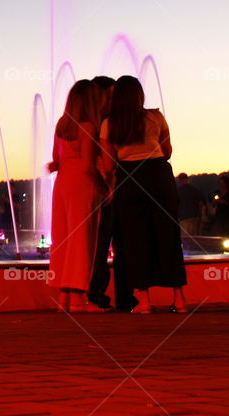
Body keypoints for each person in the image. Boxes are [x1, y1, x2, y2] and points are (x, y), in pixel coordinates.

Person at [100, 76, 187, 314]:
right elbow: (167, 151)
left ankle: (144, 301)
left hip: (129, 177)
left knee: (135, 239)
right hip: (158, 174)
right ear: (140, 95)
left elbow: (108, 165)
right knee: (168, 234)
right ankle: (179, 299)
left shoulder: (109, 124)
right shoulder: (156, 117)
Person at [47, 80, 105, 312]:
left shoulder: (62, 125)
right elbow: (90, 165)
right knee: (83, 240)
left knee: (63, 238)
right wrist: (105, 186)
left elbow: (55, 161)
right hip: (82, 183)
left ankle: (63, 296)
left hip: (62, 184)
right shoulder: (89, 127)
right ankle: (80, 298)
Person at [85, 75, 134, 311]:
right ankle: (97, 295)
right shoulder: (95, 124)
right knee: (101, 244)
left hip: (115, 188)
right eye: (110, 95)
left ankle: (121, 297)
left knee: (118, 243)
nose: (114, 99)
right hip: (103, 190)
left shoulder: (110, 122)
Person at [176, 173, 205, 238]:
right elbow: (201, 204)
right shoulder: (195, 190)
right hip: (194, 217)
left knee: (185, 238)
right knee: (194, 237)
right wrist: (200, 216)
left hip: (183, 218)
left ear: (179, 180)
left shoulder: (178, 191)